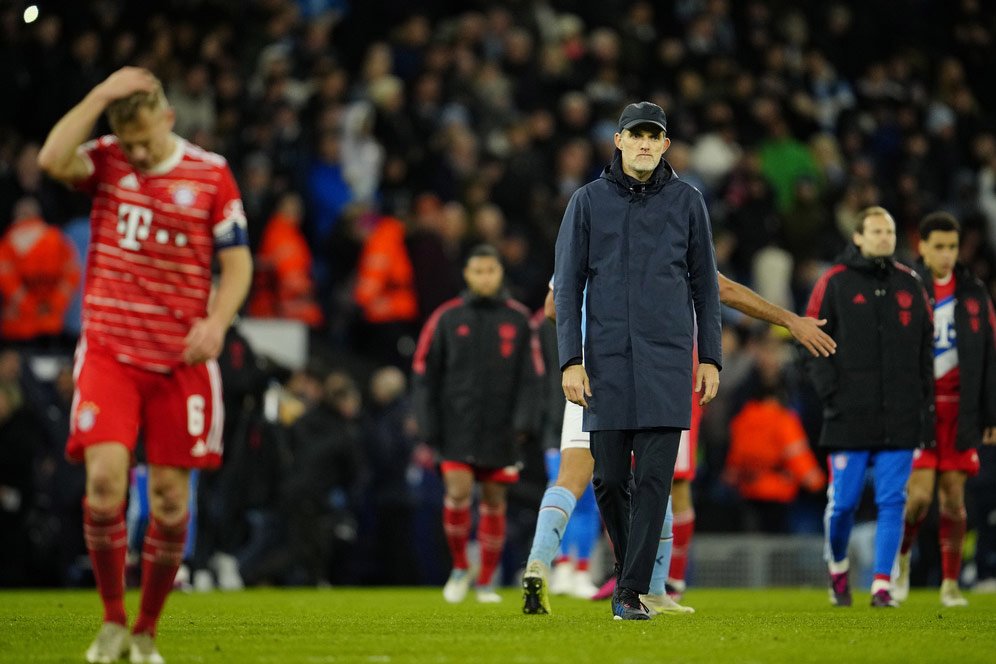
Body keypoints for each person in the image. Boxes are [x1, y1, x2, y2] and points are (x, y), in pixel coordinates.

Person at [37, 67, 252, 663]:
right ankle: (110, 620)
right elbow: (53, 158)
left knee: (168, 500)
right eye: (125, 140)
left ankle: (146, 631)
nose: (134, 151)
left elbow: (238, 264)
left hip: (180, 359)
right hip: (110, 348)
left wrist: (217, 321)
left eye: (143, 140)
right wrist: (101, 94)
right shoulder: (106, 161)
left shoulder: (210, 174)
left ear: (169, 118)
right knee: (105, 482)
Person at [523, 272, 836, 615]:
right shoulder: (668, 238)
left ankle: (538, 562)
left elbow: (552, 307)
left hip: (589, 374)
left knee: (570, 479)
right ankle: (657, 588)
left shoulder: (585, 234)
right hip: (652, 374)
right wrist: (788, 319)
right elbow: (726, 289)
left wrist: (589, 329)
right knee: (658, 481)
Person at [553, 101, 723, 620]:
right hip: (605, 361)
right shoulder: (586, 203)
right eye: (637, 135)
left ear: (666, 145)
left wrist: (710, 357)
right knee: (607, 479)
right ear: (620, 142)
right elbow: (568, 289)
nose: (646, 144)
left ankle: (628, 594)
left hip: (668, 361)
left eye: (656, 136)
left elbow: (706, 288)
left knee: (653, 480)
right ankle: (638, 580)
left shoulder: (689, 202)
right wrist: (570, 361)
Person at [805, 206, 933, 608]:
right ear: (858, 237)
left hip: (900, 412)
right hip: (849, 413)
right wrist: (831, 395)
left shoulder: (911, 283)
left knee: (893, 500)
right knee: (842, 504)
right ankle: (838, 566)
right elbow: (810, 339)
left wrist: (920, 400)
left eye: (889, 231)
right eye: (876, 231)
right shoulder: (835, 281)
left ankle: (882, 583)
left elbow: (927, 347)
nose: (884, 237)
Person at [412, 244, 542, 604]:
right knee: (457, 492)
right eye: (478, 271)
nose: (485, 277)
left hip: (501, 429)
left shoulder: (517, 319)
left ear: (501, 274)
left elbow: (532, 378)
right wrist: (427, 422)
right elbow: (424, 372)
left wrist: (523, 422)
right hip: (455, 426)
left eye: (491, 271)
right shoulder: (447, 318)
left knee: (494, 501)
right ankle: (458, 569)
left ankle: (485, 580)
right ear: (467, 275)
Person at [893, 212, 996, 607]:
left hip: (961, 411)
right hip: (920, 411)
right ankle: (900, 560)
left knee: (954, 497)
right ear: (922, 247)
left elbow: (988, 355)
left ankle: (950, 584)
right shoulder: (908, 290)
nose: (947, 254)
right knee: (917, 496)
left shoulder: (974, 294)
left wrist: (989, 413)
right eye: (939, 246)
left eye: (952, 247)